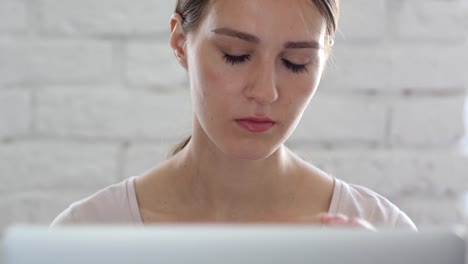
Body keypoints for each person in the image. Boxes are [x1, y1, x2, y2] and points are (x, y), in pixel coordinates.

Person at [51, 0, 417, 231]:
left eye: (296, 63)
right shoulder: (87, 234)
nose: (265, 92)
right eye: (236, 55)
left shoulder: (383, 235)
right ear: (180, 42)